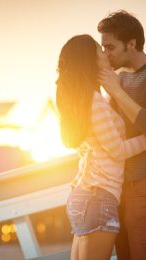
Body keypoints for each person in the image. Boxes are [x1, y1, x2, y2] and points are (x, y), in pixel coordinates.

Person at [55, 34, 146, 260]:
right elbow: (117, 151)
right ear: (91, 60)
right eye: (100, 51)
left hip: (85, 195)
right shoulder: (94, 102)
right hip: (98, 197)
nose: (105, 55)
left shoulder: (85, 100)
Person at [97, 10, 146, 260]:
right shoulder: (119, 79)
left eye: (110, 47)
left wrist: (115, 91)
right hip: (118, 189)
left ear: (132, 43)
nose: (106, 53)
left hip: (141, 187)